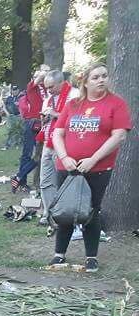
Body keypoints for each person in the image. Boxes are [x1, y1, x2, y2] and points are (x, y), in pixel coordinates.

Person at [49, 62, 131, 273]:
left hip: (97, 168)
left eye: (104, 76)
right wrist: (64, 156)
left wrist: (93, 159)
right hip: (67, 167)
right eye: (95, 77)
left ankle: (91, 257)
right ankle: (59, 254)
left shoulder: (116, 103)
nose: (101, 80)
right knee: (65, 209)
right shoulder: (73, 104)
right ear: (85, 82)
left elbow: (119, 135)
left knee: (92, 210)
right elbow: (57, 133)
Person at [38, 69, 73, 229]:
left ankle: (62, 213)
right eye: (46, 87)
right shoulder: (48, 99)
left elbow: (74, 119)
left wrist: (55, 113)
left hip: (65, 144)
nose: (48, 90)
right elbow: (46, 121)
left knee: (62, 180)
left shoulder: (74, 95)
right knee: (45, 180)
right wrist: (45, 118)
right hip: (48, 142)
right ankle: (49, 212)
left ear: (61, 83)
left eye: (51, 87)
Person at [12, 66, 49, 193]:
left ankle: (19, 177)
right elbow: (40, 77)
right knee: (28, 154)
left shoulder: (46, 88)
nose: (41, 77)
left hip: (43, 122)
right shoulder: (31, 87)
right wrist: (43, 71)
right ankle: (21, 180)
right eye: (37, 75)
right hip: (33, 123)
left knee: (40, 155)